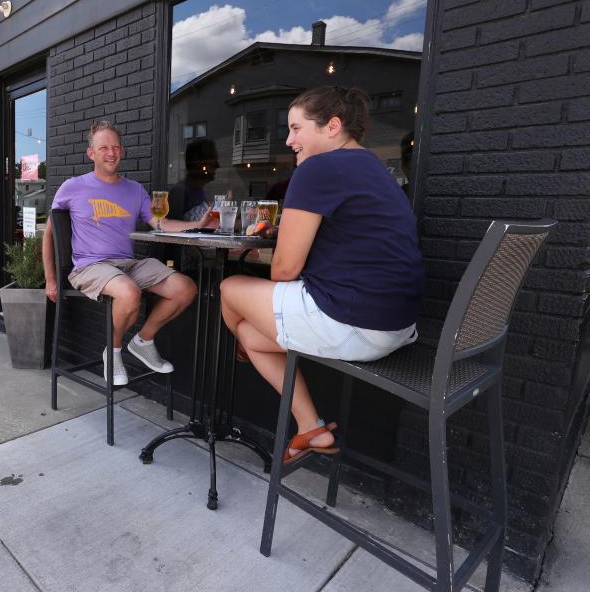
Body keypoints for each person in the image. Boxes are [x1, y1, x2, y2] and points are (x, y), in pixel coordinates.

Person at [219, 86, 424, 463]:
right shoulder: (376, 168)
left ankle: (241, 349)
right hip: (397, 326)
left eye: (297, 129)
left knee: (230, 288)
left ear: (332, 126)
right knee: (250, 333)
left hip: (354, 323)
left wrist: (278, 245)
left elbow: (284, 270)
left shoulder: (318, 167)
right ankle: (310, 428)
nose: (288, 139)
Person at [42, 121, 216, 385]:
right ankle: (112, 352)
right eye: (103, 148)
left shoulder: (134, 189)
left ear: (122, 150)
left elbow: (159, 224)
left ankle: (143, 341)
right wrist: (51, 280)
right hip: (90, 266)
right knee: (129, 291)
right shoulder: (73, 187)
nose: (111, 153)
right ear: (91, 153)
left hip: (128, 264)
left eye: (115, 147)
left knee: (185, 288)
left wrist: (196, 225)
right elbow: (49, 233)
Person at [169, 137, 219, 220]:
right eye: (213, 159)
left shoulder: (198, 190)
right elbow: (171, 228)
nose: (217, 165)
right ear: (198, 162)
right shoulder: (179, 192)